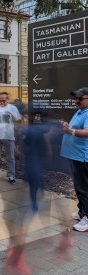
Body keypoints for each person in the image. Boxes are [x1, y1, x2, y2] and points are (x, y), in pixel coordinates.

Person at [60, 87, 88, 232]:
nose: (76, 100)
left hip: (82, 156)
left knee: (83, 188)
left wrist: (69, 130)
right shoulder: (80, 111)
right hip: (74, 155)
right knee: (79, 187)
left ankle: (87, 218)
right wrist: (67, 127)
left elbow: (87, 132)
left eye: (80, 98)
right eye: (75, 98)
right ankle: (82, 212)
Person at [0, 92, 22, 184]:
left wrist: (12, 116)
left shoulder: (12, 108)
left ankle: (11, 176)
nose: (2, 102)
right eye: (0, 100)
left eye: (4, 100)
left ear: (8, 99)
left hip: (8, 136)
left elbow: (19, 121)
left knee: (10, 157)